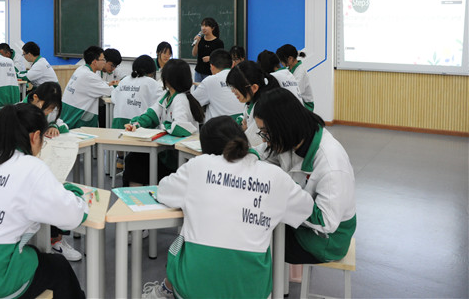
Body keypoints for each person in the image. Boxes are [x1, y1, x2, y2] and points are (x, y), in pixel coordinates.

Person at [143, 116, 314, 299]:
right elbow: (306, 208)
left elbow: (163, 191)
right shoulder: (275, 175)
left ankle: (165, 290)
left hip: (194, 289)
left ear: (206, 148)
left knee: (183, 237)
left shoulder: (199, 165)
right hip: (252, 291)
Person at [0, 103, 88, 299]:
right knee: (59, 266)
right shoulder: (31, 167)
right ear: (35, 136)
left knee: (31, 253)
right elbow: (72, 216)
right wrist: (76, 195)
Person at [254, 88, 357, 264]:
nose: (264, 139)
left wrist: (285, 196)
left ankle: (268, 282)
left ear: (284, 126)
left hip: (324, 241)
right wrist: (240, 153)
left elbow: (326, 221)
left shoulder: (330, 162)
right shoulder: (294, 138)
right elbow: (261, 153)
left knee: (254, 237)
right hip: (303, 226)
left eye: (266, 132)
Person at [123, 58, 203, 186]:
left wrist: (161, 127)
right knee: (133, 159)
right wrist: (136, 125)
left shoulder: (180, 100)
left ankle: (137, 195)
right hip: (166, 153)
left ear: (168, 79)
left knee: (134, 161)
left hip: (176, 160)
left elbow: (180, 127)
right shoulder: (167, 95)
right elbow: (152, 114)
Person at [25, 81, 80, 262]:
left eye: (52, 109)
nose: (48, 113)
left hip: (44, 161)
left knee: (56, 187)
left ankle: (56, 239)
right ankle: (48, 239)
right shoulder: (20, 112)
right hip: (26, 168)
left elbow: (62, 125)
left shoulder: (47, 113)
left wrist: (54, 127)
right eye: (47, 108)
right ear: (35, 98)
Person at [226, 60, 279, 147]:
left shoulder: (264, 107)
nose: (233, 91)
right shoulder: (252, 101)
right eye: (232, 87)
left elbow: (252, 143)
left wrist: (245, 130)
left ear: (254, 88)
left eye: (236, 88)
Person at [60, 46, 113, 130]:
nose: (104, 62)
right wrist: (118, 85)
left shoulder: (81, 69)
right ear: (95, 62)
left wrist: (108, 84)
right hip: (76, 119)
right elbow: (110, 92)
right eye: (103, 60)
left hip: (68, 113)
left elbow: (95, 85)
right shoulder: (89, 76)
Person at [191, 48, 244, 123]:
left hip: (220, 127)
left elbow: (191, 103)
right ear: (232, 64)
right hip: (243, 125)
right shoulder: (243, 77)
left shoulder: (210, 81)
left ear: (212, 66)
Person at [110, 54, 161, 129]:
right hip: (138, 125)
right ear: (152, 71)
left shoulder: (124, 80)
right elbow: (160, 104)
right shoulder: (152, 82)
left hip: (118, 125)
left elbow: (114, 98)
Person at [277, 43, 315, 111]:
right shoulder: (289, 68)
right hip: (295, 100)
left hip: (305, 105)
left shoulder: (300, 72)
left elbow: (296, 92)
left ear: (290, 58)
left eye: (281, 61)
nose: (281, 63)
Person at [191, 17, 224, 82]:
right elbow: (194, 54)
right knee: (198, 88)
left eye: (206, 26)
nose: (203, 28)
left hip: (211, 73)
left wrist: (211, 58)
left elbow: (221, 58)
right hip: (198, 72)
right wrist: (196, 43)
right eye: (202, 25)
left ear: (212, 28)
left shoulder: (218, 42)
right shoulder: (200, 40)